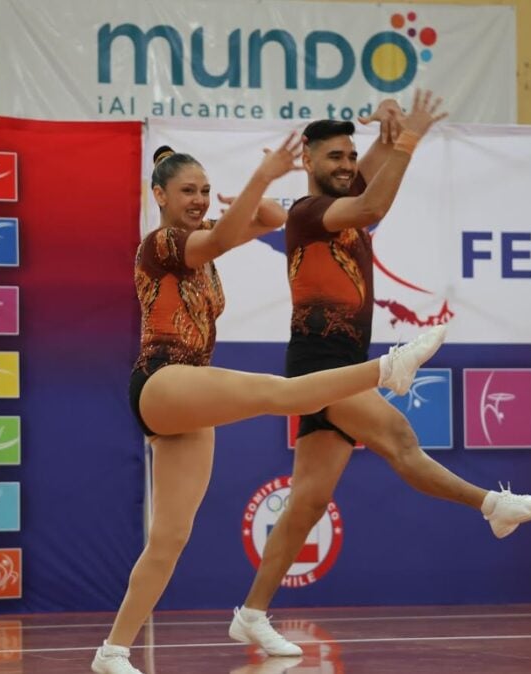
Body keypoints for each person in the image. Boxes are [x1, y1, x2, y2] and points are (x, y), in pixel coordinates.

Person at [92, 135, 448, 674]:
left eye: (206, 190)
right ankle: (386, 369)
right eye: (187, 190)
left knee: (170, 537)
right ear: (159, 195)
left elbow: (265, 222)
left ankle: (112, 651)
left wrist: (268, 188)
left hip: (190, 396)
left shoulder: (206, 233)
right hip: (162, 381)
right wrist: (262, 177)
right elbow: (219, 241)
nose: (199, 199)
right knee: (275, 393)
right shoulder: (160, 244)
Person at [227, 93, 531, 657]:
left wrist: (386, 131)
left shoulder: (341, 197)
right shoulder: (311, 214)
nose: (345, 165)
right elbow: (373, 207)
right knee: (400, 439)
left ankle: (251, 614)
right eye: (334, 157)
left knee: (307, 502)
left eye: (349, 157)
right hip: (322, 364)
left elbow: (370, 178)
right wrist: (408, 141)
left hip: (339, 359)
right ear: (307, 160)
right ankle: (492, 507)